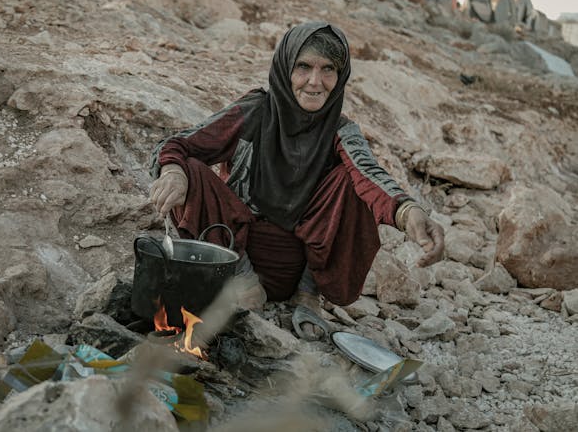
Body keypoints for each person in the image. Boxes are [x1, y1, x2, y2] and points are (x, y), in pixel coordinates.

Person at [148, 21, 444, 341]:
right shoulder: (256, 111)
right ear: (285, 67)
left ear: (340, 76)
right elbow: (178, 144)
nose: (315, 82)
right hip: (232, 252)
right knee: (189, 168)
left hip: (294, 265)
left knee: (352, 182)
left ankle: (308, 295)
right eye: (303, 67)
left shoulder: (341, 132)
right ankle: (243, 283)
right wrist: (174, 173)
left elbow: (370, 174)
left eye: (328, 69)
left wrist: (408, 212)